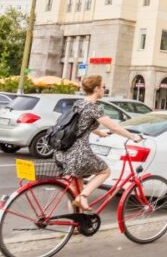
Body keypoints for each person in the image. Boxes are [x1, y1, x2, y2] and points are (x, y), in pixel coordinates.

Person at [54, 75, 142, 212]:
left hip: (63, 151)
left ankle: (77, 224)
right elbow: (114, 127)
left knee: (74, 190)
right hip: (78, 154)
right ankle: (84, 196)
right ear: (96, 89)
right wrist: (133, 136)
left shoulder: (79, 103)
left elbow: (79, 124)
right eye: (103, 87)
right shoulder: (94, 107)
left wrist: (99, 133)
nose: (104, 90)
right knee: (104, 171)